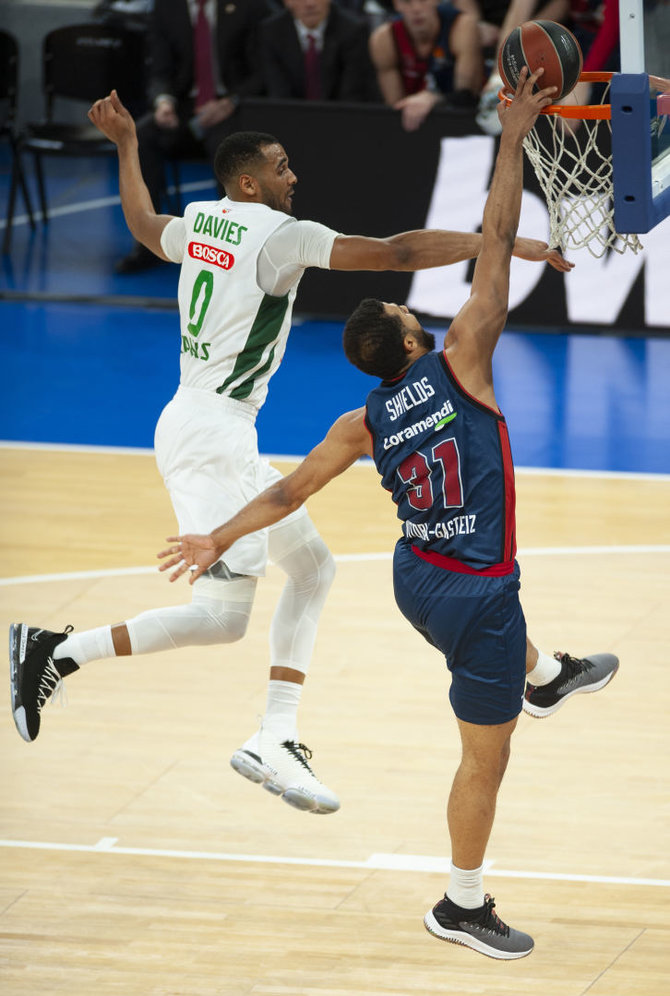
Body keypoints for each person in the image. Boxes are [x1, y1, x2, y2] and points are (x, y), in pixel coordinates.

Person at [153, 67, 618, 957]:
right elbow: (496, 236)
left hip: (416, 579)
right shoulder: (465, 361)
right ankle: (461, 902)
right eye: (413, 314)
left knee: (490, 595)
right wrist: (514, 141)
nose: (420, 313)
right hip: (472, 590)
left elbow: (287, 492)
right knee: (488, 755)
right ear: (415, 343)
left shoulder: (359, 421)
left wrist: (216, 534)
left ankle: (547, 671)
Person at [9, 88, 570, 819]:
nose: (293, 178)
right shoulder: (280, 235)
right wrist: (504, 246)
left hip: (202, 423)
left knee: (313, 569)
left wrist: (126, 145)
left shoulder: (203, 220)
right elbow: (396, 253)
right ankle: (62, 655)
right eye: (281, 168)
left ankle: (273, 730)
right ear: (250, 182)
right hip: (211, 434)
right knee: (224, 617)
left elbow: (146, 227)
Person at [116, 0, 275, 273]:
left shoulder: (250, 7)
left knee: (230, 147)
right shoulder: (166, 8)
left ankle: (231, 246)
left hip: (231, 107)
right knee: (140, 138)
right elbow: (159, 70)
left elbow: (263, 72)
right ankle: (150, 242)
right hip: (184, 105)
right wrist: (162, 102)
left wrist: (230, 102)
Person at [369, 0, 483, 131]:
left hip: (460, 122)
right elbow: (395, 107)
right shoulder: (384, 39)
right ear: (396, 4)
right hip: (412, 126)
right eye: (407, 2)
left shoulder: (461, 26)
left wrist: (434, 99)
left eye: (423, 0)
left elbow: (467, 96)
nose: (416, 9)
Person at [259, 0, 379, 101]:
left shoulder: (354, 30)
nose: (310, 3)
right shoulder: (271, 31)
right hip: (290, 117)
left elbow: (351, 92)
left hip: (339, 117)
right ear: (287, 1)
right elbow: (278, 91)